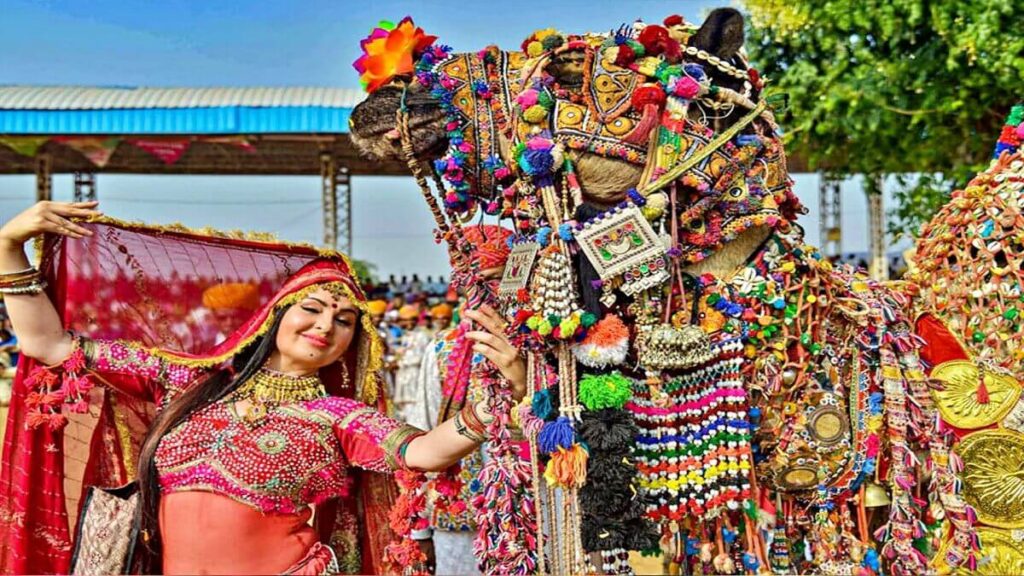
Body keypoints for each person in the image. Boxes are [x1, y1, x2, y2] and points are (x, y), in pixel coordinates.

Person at [0, 201, 526, 575]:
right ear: (274, 317)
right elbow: (48, 344)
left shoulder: (338, 416)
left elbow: (424, 452)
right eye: (314, 309)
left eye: (345, 321)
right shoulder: (187, 381)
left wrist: (499, 403)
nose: (326, 326)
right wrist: (8, 246)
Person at [405, 225, 515, 576]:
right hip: (458, 517)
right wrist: (418, 528)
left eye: (495, 280)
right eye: (475, 283)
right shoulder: (443, 348)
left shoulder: (546, 345)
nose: (485, 293)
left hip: (535, 509)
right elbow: (420, 433)